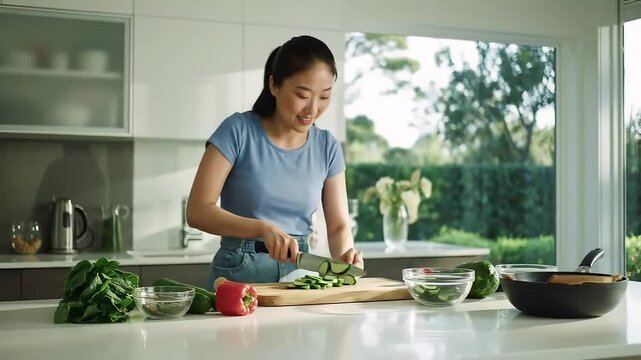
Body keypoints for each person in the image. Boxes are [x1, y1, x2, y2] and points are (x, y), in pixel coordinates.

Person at [187, 35, 364, 289]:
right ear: (274, 85)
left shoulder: (327, 146)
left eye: (324, 97)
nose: (313, 109)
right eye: (302, 95)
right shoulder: (237, 131)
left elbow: (337, 226)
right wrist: (261, 229)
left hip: (300, 273)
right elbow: (197, 211)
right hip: (238, 273)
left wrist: (346, 255)